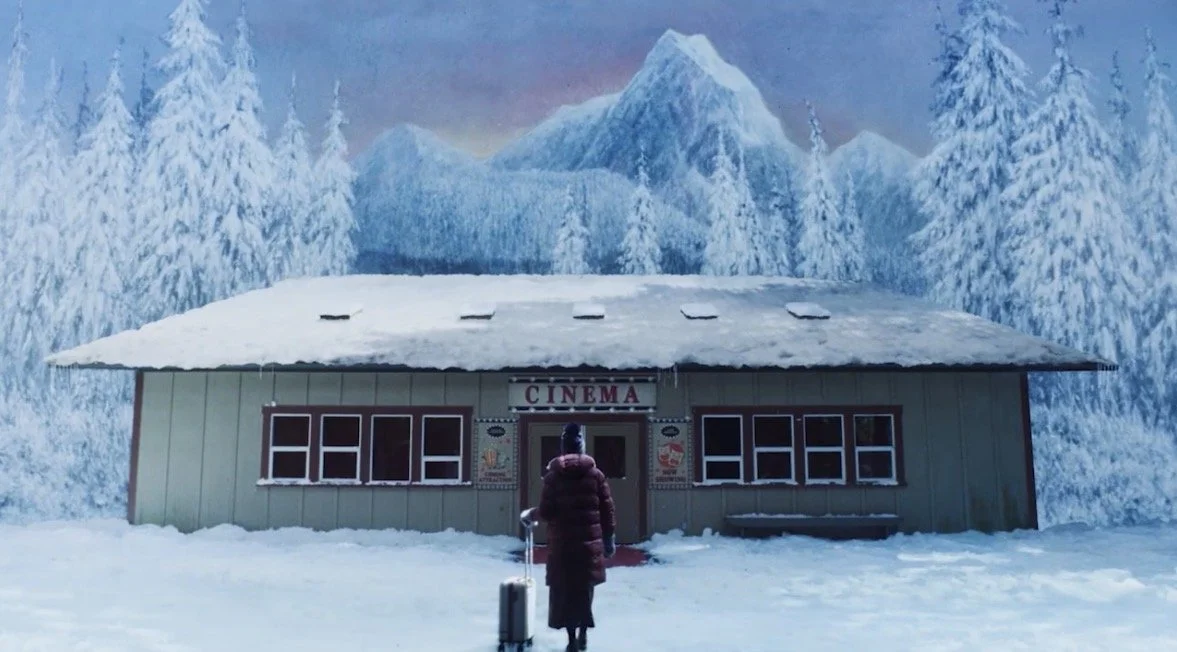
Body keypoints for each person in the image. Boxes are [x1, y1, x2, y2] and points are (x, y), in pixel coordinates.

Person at [524, 422, 616, 652]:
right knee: (584, 590)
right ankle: (584, 634)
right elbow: (607, 509)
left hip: (563, 546)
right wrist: (608, 538)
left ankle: (572, 639)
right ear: (582, 447)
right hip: (588, 546)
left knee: (565, 591)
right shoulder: (596, 476)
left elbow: (546, 512)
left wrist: (531, 514)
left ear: (563, 448)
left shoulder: (553, 477)